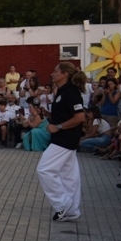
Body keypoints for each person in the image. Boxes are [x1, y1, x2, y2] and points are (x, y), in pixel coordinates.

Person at [37, 62, 87, 222]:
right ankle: (72, 210)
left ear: (64, 74)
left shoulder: (71, 92)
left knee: (44, 169)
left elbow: (80, 117)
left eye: (55, 71)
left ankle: (62, 203)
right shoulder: (62, 92)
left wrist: (58, 127)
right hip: (63, 138)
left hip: (65, 138)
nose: (52, 74)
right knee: (68, 175)